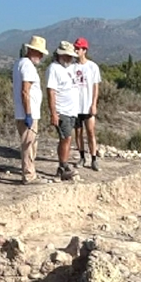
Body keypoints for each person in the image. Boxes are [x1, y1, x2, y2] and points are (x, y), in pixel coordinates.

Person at [12, 36, 47, 184]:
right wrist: (28, 113)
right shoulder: (27, 66)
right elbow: (25, 91)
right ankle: (28, 175)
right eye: (39, 53)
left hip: (24, 111)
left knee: (31, 143)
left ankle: (31, 172)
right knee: (28, 143)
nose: (41, 56)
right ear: (32, 51)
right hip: (28, 112)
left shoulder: (19, 63)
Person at [46, 41, 81, 181]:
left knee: (68, 138)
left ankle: (64, 165)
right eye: (66, 56)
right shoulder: (53, 69)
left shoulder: (69, 68)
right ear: (60, 55)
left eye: (70, 56)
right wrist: (54, 112)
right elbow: (51, 91)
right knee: (65, 138)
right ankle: (62, 167)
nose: (69, 59)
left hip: (71, 110)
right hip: (62, 110)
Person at [72, 37, 102, 171]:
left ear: (84, 50)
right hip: (75, 106)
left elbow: (96, 87)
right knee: (78, 133)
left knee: (90, 132)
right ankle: (82, 157)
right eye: (75, 48)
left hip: (88, 105)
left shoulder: (92, 66)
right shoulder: (72, 67)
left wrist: (94, 103)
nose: (76, 50)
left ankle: (94, 158)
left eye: (79, 48)